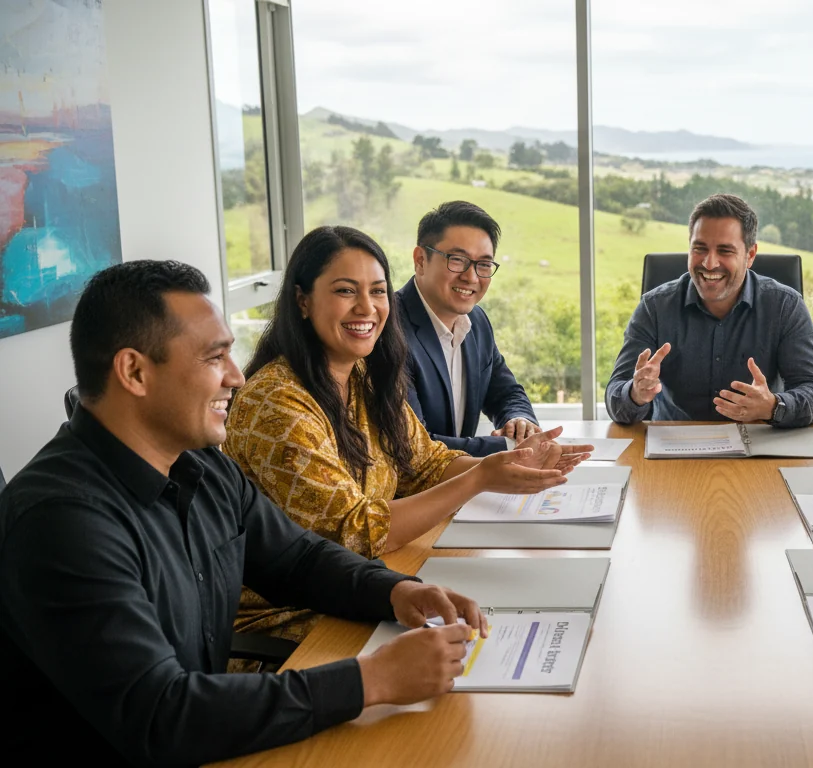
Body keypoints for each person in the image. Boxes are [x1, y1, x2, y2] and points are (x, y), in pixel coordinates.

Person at [0, 260, 487, 765]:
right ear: (135, 371)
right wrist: (372, 680)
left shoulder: (201, 465)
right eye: (215, 358)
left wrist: (396, 590)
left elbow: (297, 558)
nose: (236, 376)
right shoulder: (61, 523)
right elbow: (160, 716)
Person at [225, 225, 589, 650]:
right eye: (346, 291)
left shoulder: (363, 377)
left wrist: (508, 466)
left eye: (378, 291)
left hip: (368, 587)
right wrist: (480, 478)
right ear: (302, 301)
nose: (367, 307)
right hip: (291, 624)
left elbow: (426, 462)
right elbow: (356, 532)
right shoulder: (277, 404)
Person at [605, 193, 813, 427]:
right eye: (699, 248)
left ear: (750, 255)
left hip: (758, 447)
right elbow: (615, 395)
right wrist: (635, 394)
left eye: (725, 251)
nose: (709, 263)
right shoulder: (654, 307)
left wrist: (774, 406)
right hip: (674, 449)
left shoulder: (785, 306)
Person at [399, 201, 539, 457]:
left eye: (483, 264)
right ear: (420, 260)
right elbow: (415, 446)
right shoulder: (389, 330)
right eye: (457, 260)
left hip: (461, 484)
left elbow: (505, 391)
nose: (471, 277)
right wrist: (511, 448)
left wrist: (520, 421)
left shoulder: (476, 321)